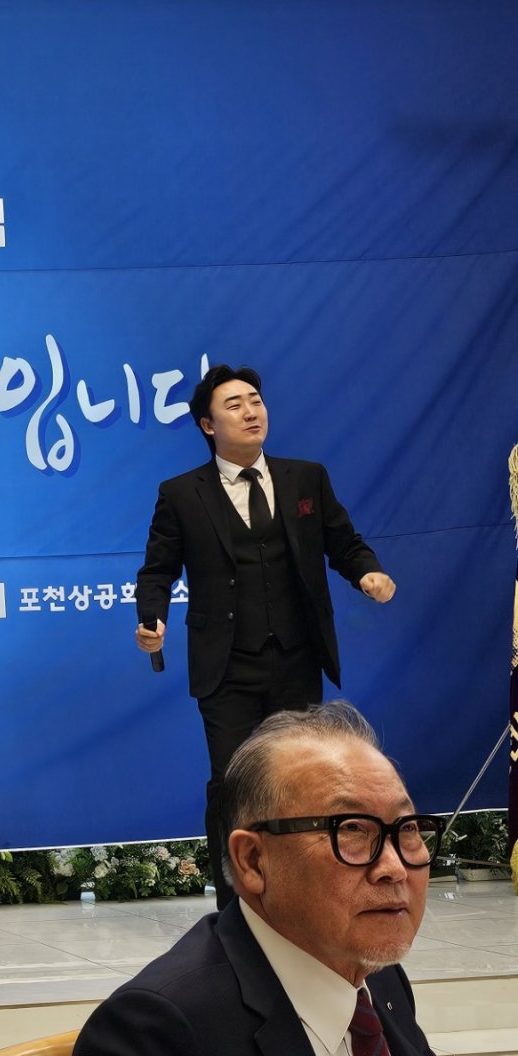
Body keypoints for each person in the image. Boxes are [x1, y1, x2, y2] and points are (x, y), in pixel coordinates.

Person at [63, 702, 500, 1056]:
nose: (394, 867)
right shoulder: (160, 1032)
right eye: (352, 831)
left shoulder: (379, 980)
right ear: (253, 861)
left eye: (407, 829)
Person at [136, 365, 395, 906]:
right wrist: (151, 618)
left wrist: (367, 572)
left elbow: (344, 543)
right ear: (208, 426)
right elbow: (157, 571)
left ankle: (302, 895)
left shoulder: (306, 478)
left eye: (255, 400)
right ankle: (234, 906)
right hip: (226, 664)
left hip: (297, 657)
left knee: (302, 781)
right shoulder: (181, 493)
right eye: (234, 405)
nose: (251, 411)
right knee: (232, 784)